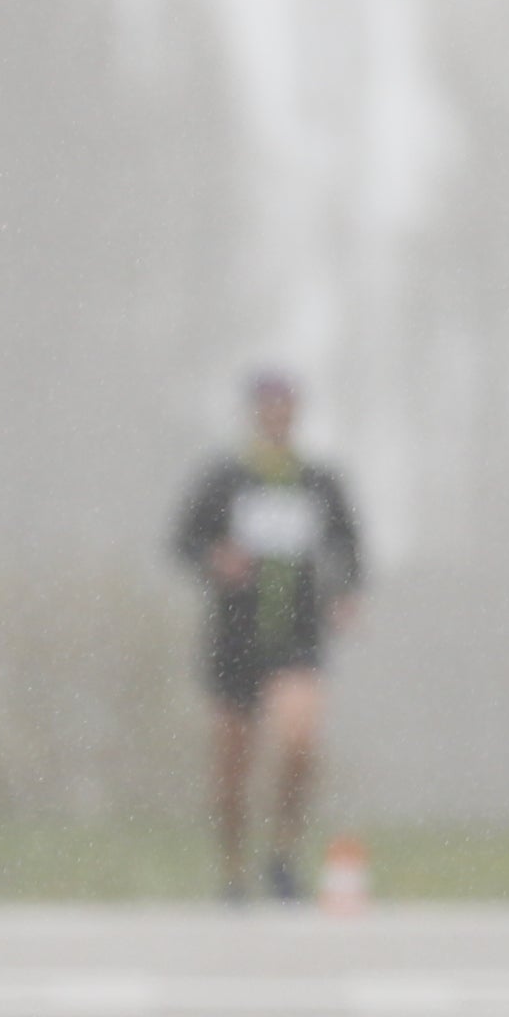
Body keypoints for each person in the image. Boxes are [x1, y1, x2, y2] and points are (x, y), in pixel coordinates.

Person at [170, 368, 366, 902]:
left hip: (297, 636)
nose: (278, 417)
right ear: (255, 414)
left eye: (287, 408)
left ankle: (283, 852)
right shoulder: (224, 479)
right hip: (235, 638)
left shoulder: (318, 483)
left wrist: (346, 593)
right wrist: (217, 559)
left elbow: (348, 546)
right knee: (232, 766)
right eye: (269, 408)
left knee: (300, 742)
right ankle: (233, 868)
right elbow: (183, 540)